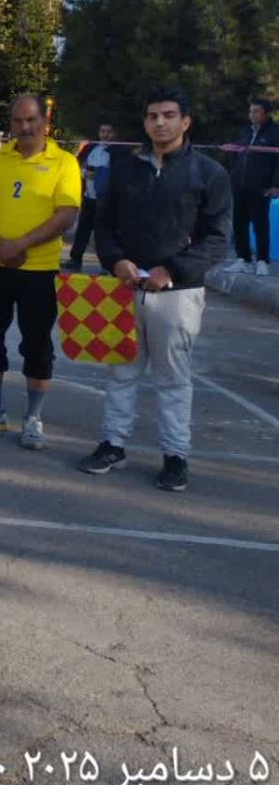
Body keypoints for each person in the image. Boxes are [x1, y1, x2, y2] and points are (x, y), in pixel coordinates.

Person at [81, 86, 232, 493]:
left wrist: (173, 270)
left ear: (186, 122)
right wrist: (116, 261)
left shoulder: (208, 174)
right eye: (152, 116)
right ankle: (113, 445)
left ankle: (175, 456)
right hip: (124, 289)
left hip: (178, 295)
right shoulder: (125, 170)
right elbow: (103, 226)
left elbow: (217, 240)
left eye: (168, 115)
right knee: (120, 373)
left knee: (173, 379)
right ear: (145, 122)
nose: (160, 122)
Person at [0, 95, 82, 449]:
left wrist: (21, 244)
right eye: (17, 121)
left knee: (37, 345)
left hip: (38, 270)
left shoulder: (65, 162)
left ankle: (33, 418)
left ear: (45, 121)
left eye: (31, 120)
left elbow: (65, 215)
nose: (24, 127)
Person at [224, 98, 279, 275]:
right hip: (239, 185)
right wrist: (231, 152)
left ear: (266, 113)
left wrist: (276, 185)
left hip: (260, 187)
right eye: (250, 111)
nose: (252, 115)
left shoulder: (275, 133)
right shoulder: (245, 131)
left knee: (260, 224)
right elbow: (239, 154)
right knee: (239, 223)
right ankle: (243, 259)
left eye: (256, 111)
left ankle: (262, 261)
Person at [65, 122, 116, 270]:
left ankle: (107, 264)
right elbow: (77, 165)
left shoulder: (118, 151)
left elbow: (119, 172)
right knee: (82, 229)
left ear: (114, 134)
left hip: (105, 199)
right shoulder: (90, 148)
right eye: (102, 131)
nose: (105, 135)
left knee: (103, 233)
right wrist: (84, 173)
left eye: (109, 132)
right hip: (88, 195)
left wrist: (100, 174)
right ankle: (75, 259)